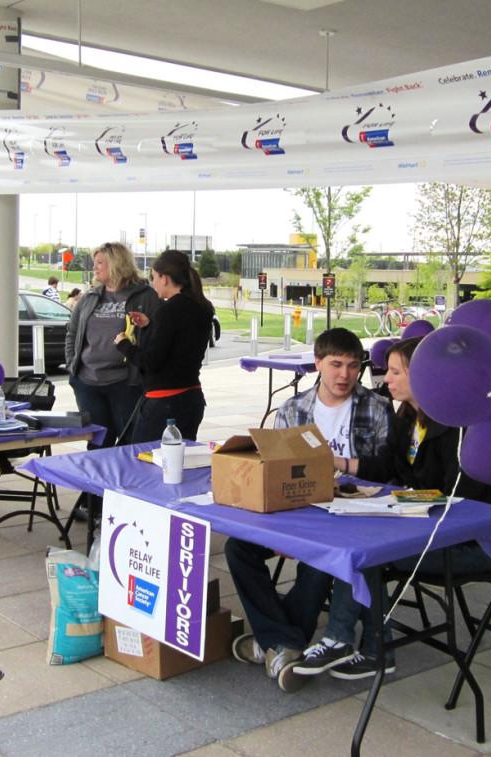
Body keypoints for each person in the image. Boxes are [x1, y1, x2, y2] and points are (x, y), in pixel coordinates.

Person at [294, 337, 491, 681]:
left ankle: (357, 643)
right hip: (419, 528)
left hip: (464, 543)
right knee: (357, 541)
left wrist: (399, 502)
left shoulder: (459, 430)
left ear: (427, 376)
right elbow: (386, 466)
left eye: (396, 371)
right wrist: (337, 462)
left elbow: (457, 501)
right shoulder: (409, 417)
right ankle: (360, 644)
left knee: (365, 552)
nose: (386, 379)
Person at [224, 328, 394, 692]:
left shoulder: (376, 408)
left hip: (350, 513)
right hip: (296, 510)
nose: (344, 375)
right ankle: (284, 642)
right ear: (317, 363)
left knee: (320, 559)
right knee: (237, 547)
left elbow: (387, 473)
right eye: (335, 364)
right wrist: (281, 530)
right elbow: (273, 471)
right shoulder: (293, 409)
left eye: (352, 366)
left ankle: (276, 643)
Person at [65, 243, 159, 449]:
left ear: (117, 264)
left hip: (126, 383)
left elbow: (158, 335)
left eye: (100, 263)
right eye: (94, 263)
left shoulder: (145, 296)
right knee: (98, 443)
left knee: (131, 442)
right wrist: (74, 366)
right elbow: (72, 333)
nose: (95, 268)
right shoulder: (90, 296)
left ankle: (127, 481)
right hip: (87, 383)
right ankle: (99, 482)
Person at [117, 250, 214, 443]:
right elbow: (180, 342)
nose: (152, 283)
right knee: (180, 463)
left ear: (165, 278)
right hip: (191, 397)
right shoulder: (202, 307)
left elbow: (150, 361)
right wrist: (151, 325)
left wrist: (124, 344)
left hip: (164, 402)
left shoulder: (168, 311)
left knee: (144, 461)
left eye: (154, 277)